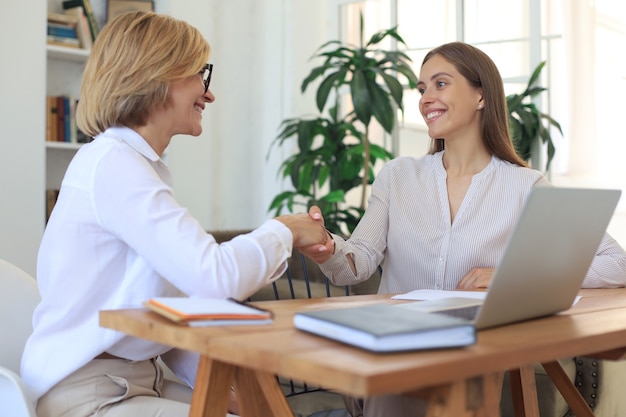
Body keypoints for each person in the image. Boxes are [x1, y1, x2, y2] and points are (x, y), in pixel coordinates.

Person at [21, 11, 327, 417]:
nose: (209, 93)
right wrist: (286, 229)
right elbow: (214, 276)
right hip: (90, 394)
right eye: (201, 74)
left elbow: (174, 309)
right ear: (158, 74)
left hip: (138, 381)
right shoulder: (113, 163)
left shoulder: (138, 167)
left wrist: (229, 392)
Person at [299, 41, 626, 417]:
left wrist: (510, 277)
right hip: (395, 346)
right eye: (422, 89)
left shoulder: (524, 185)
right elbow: (356, 265)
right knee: (398, 382)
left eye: (440, 84)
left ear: (481, 95)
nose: (425, 99)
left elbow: (617, 263)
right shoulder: (398, 176)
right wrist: (327, 247)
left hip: (475, 354)